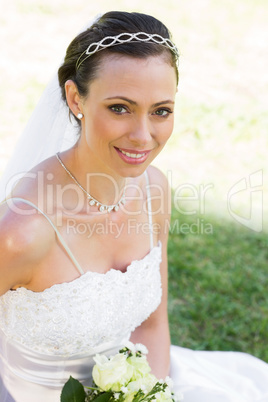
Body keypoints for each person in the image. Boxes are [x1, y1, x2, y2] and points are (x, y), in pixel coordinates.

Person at [0, 10, 267, 402]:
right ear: (76, 98)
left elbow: (152, 326)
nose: (144, 137)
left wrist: (154, 394)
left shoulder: (153, 191)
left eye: (161, 111)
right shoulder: (23, 233)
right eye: (120, 108)